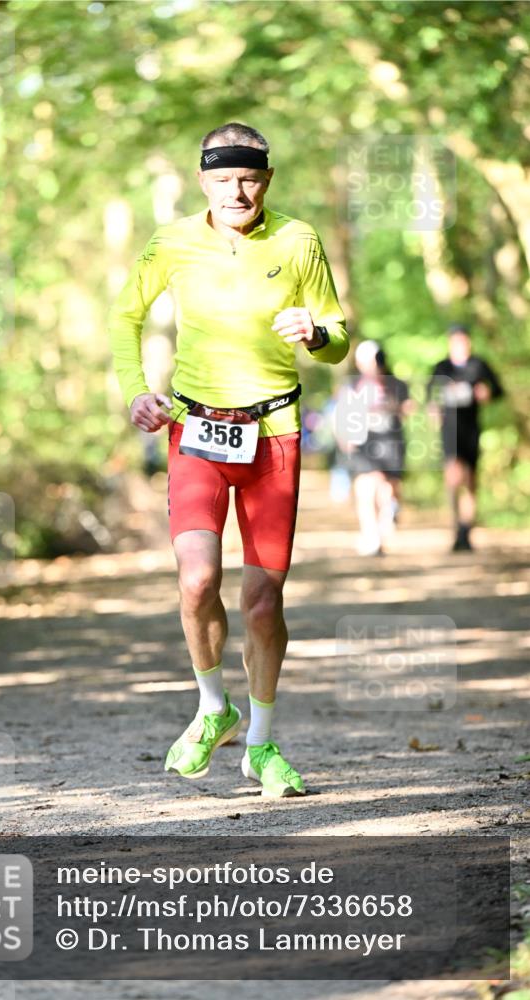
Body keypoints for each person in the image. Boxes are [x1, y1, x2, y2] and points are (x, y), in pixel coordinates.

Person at [109, 123, 348, 797]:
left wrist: (318, 332)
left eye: (247, 178)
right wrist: (136, 392)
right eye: (221, 179)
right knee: (194, 582)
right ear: (202, 181)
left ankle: (262, 743)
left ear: (265, 179)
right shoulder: (173, 242)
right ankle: (214, 708)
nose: (235, 191)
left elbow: (337, 336)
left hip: (274, 433)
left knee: (263, 602)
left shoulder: (297, 240)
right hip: (195, 433)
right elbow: (124, 314)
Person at [427, 324, 503, 551]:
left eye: (464, 341)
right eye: (456, 341)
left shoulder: (479, 365)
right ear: (450, 343)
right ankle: (456, 526)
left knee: (470, 479)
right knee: (453, 476)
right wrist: (433, 409)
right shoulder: (442, 367)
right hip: (449, 429)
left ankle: (466, 529)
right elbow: (430, 394)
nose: (461, 345)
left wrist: (487, 394)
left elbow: (498, 390)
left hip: (471, 429)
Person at [336, 341, 412, 556]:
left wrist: (393, 406)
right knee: (365, 487)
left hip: (390, 441)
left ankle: (387, 518)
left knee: (386, 487)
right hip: (362, 441)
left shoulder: (396, 384)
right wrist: (345, 435)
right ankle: (371, 535)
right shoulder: (352, 385)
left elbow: (408, 409)